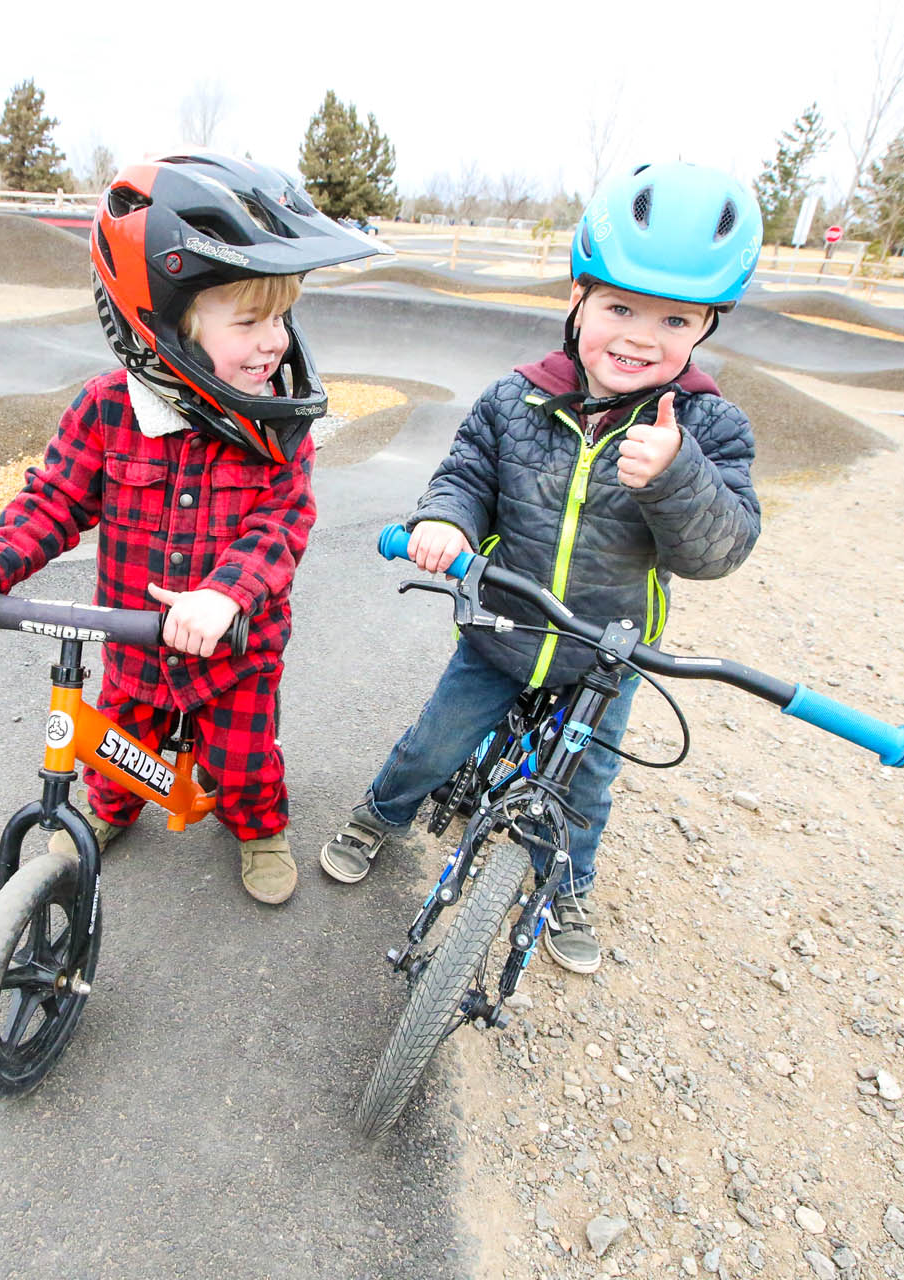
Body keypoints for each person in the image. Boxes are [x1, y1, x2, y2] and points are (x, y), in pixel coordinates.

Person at [319, 162, 765, 973]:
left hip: (607, 653)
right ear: (578, 299)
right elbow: (462, 477)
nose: (638, 336)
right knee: (437, 743)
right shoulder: (514, 400)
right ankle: (380, 816)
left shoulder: (710, 426)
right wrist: (443, 525)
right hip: (504, 627)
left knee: (585, 789)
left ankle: (567, 885)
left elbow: (720, 549)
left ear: (706, 327)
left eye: (672, 320)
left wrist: (676, 475)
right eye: (619, 307)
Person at [0, 154, 382, 905]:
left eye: (281, 316)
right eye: (249, 321)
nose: (274, 341)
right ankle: (113, 810)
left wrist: (225, 596)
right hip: (137, 642)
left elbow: (284, 520)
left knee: (244, 763)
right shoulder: (108, 409)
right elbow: (53, 502)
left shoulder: (275, 426)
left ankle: (259, 827)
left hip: (236, 650)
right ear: (165, 323)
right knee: (115, 748)